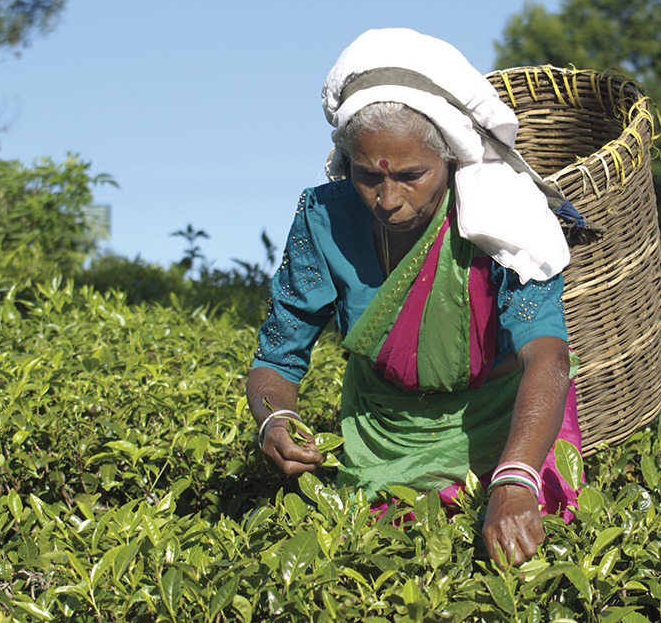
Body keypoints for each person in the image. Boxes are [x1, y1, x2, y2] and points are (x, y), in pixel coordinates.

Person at [247, 28, 583, 566]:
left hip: (504, 429)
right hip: (383, 440)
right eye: (366, 176)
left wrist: (517, 477)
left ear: (449, 159)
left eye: (411, 176)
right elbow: (277, 356)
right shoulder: (324, 218)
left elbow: (547, 356)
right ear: (346, 161)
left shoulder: (502, 220)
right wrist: (273, 421)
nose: (388, 200)